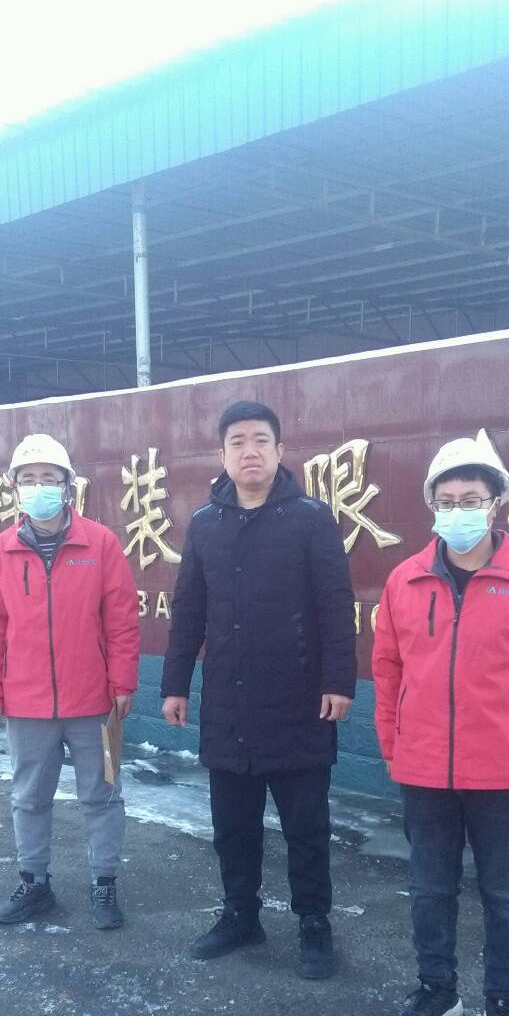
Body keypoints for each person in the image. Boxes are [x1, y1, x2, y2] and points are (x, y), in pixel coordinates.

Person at [372, 434, 509, 1016]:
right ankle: (437, 991)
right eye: (447, 500)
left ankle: (503, 1002)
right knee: (430, 889)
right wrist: (394, 745)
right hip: (424, 768)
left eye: (471, 499)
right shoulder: (405, 580)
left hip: (505, 770)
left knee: (506, 894)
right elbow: (388, 669)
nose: (458, 510)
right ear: (431, 506)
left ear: (497, 505)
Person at [161, 400, 357, 979]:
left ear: (279, 451)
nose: (250, 451)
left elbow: (335, 605)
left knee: (306, 828)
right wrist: (175, 685)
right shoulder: (205, 524)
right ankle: (240, 915)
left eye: (261, 440)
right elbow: (188, 611)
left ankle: (314, 924)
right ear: (222, 454)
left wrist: (338, 681)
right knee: (232, 826)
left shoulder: (310, 519)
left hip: (299, 701)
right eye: (238, 442)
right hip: (228, 703)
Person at [0, 432, 140, 930]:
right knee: (29, 798)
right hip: (25, 703)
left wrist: (123, 682)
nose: (39, 486)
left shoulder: (100, 543)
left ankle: (104, 883)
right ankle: (34, 883)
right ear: (14, 487)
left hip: (94, 701)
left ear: (68, 485)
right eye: (29, 478)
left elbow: (122, 620)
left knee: (103, 794)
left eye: (49, 477)